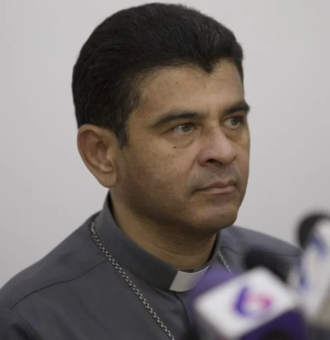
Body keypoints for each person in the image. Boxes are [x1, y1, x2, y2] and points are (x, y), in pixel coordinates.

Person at [0, 3, 300, 339]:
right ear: (101, 155)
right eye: (183, 127)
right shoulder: (29, 322)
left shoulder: (296, 276)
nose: (225, 151)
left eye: (233, 121)